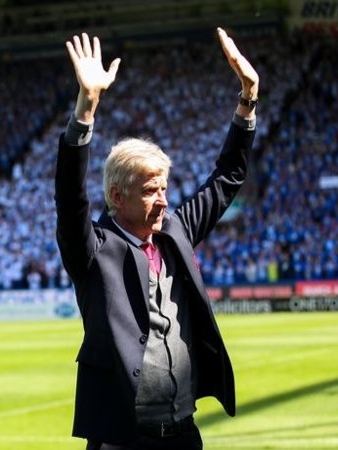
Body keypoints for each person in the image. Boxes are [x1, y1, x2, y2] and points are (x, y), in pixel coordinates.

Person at [55, 28, 259, 450]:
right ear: (116, 195)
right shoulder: (93, 249)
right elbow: (69, 198)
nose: (163, 200)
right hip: (121, 439)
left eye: (165, 188)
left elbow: (227, 178)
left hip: (183, 435)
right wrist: (85, 111)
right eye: (151, 190)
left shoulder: (175, 231)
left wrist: (248, 100)